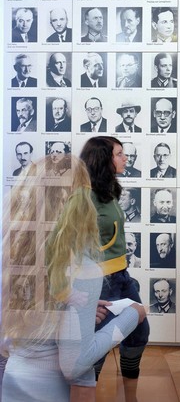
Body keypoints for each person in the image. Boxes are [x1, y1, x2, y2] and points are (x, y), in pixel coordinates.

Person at [1, 155, 147, 402]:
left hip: (13, 383)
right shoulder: (82, 266)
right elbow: (75, 364)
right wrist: (133, 316)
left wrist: (81, 309)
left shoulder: (10, 255)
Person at [78, 137, 150, 387]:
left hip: (120, 275)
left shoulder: (108, 190)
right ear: (103, 159)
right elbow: (69, 243)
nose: (125, 158)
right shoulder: (83, 196)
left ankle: (130, 389)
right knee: (98, 343)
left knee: (139, 332)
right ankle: (86, 389)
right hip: (99, 281)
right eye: (120, 154)